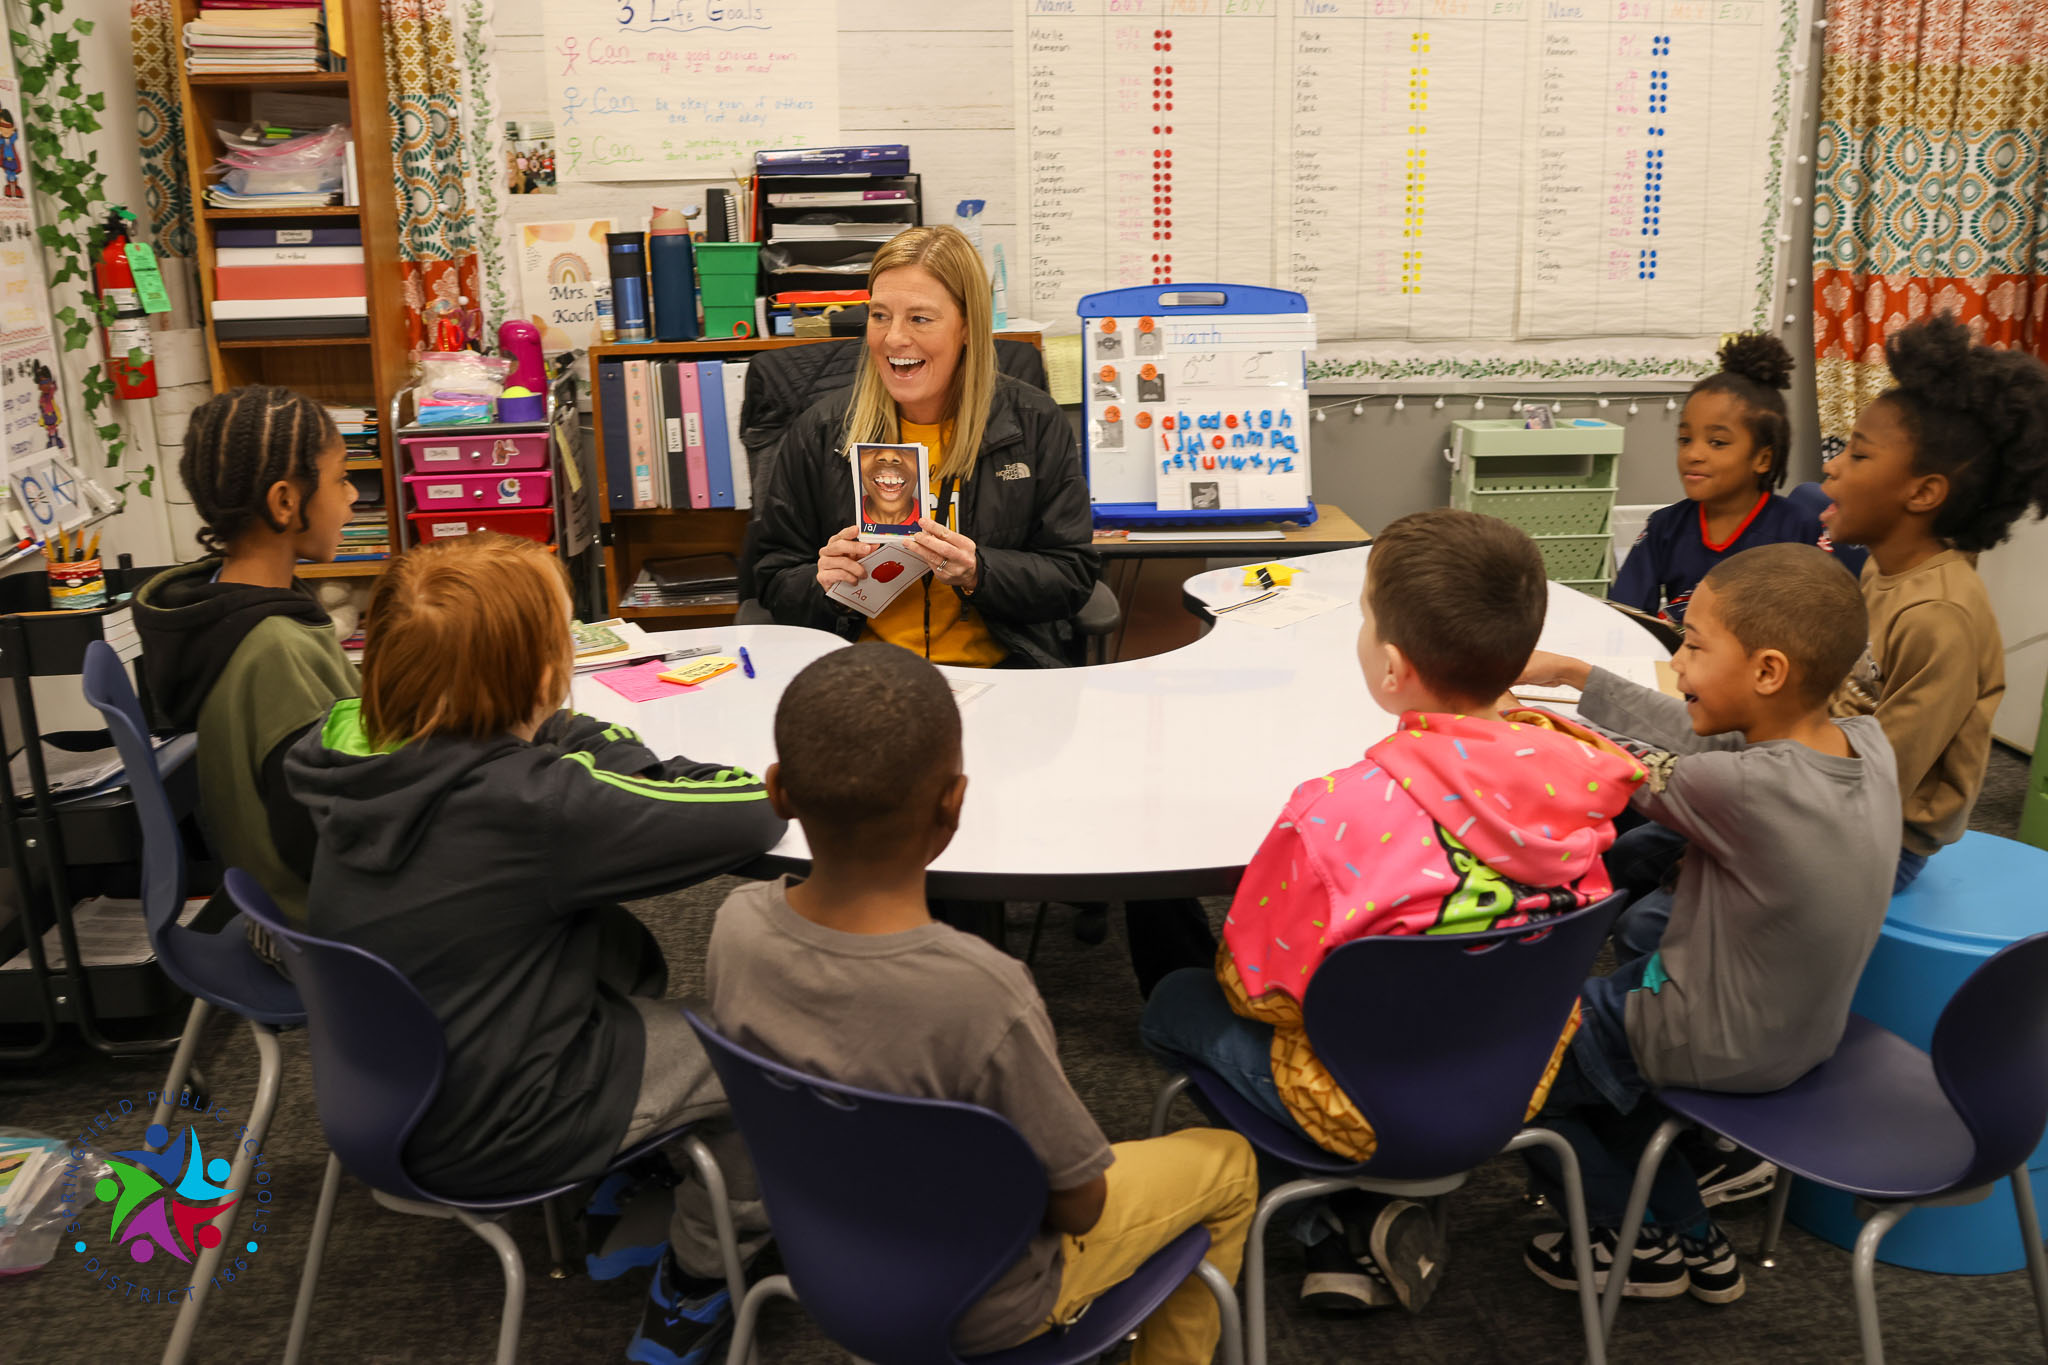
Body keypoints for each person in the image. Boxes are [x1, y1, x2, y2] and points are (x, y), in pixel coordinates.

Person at [283, 533, 786, 1365]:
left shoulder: (347, 749)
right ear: (539, 676)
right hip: (503, 1118)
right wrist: (576, 734)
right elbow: (751, 808)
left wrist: (543, 727)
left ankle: (627, 1178)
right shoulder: (530, 806)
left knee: (618, 950)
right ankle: (700, 1279)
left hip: (381, 1093)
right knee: (769, 1050)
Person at [1141, 509, 1647, 1316]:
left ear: (1391, 668)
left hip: (1358, 1109)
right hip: (1516, 1085)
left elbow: (1257, 991)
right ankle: (1359, 1219)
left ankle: (1324, 1218)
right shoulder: (1585, 791)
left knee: (1177, 997)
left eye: (1367, 615)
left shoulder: (1333, 814)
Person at [706, 643, 1258, 1364]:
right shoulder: (982, 991)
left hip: (831, 1269)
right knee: (1229, 1163)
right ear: (954, 803)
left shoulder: (735, 926)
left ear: (777, 791)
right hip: (989, 1303)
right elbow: (1081, 1203)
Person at [752, 224, 1214, 994]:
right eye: (878, 315)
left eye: (920, 318)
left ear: (968, 325)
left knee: (1147, 798)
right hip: (869, 691)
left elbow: (1073, 576)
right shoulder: (822, 432)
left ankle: (1192, 1004)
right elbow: (770, 574)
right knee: (936, 853)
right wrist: (823, 577)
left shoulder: (1029, 423)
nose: (893, 338)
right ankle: (953, 1007)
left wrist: (981, 569)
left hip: (1010, 680)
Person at [1515, 542, 1897, 1305]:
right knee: (1592, 1060)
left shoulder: (1740, 788)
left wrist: (1513, 716)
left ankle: (1629, 1240)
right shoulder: (1867, 742)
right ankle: (1694, 1236)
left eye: (1691, 645)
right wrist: (1572, 675)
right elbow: (1703, 733)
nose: (1678, 665)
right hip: (1799, 1029)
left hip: (1706, 1034)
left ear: (1766, 671)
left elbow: (1607, 766)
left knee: (1500, 1066)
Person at [1819, 314, 2048, 890]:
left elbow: (1878, 777)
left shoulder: (1939, 616)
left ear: (1923, 493)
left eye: (1859, 455)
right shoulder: (1884, 567)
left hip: (1881, 838)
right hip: (1834, 794)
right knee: (1653, 842)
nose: (1832, 466)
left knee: (1668, 901)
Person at [134, 385, 360, 959]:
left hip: (277, 910)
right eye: (340, 479)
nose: (353, 496)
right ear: (285, 502)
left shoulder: (223, 604)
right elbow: (319, 840)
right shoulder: (272, 652)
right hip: (315, 932)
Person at [1611, 333, 1831, 625]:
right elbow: (1626, 616)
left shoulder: (1799, 530)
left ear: (1762, 459)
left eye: (1717, 442)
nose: (1693, 454)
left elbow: (1819, 626)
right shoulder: (1663, 527)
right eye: (1685, 439)